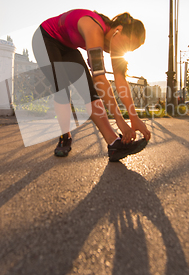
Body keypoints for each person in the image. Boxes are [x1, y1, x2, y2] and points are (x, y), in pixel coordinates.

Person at [32, 9, 151, 162]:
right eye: (127, 44)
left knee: (90, 93)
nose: (125, 50)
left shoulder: (115, 44)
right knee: (62, 88)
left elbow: (120, 80)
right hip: (45, 38)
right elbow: (100, 79)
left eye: (130, 49)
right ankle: (65, 136)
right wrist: (120, 121)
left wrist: (134, 118)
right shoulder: (95, 30)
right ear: (118, 30)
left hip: (67, 46)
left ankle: (114, 144)